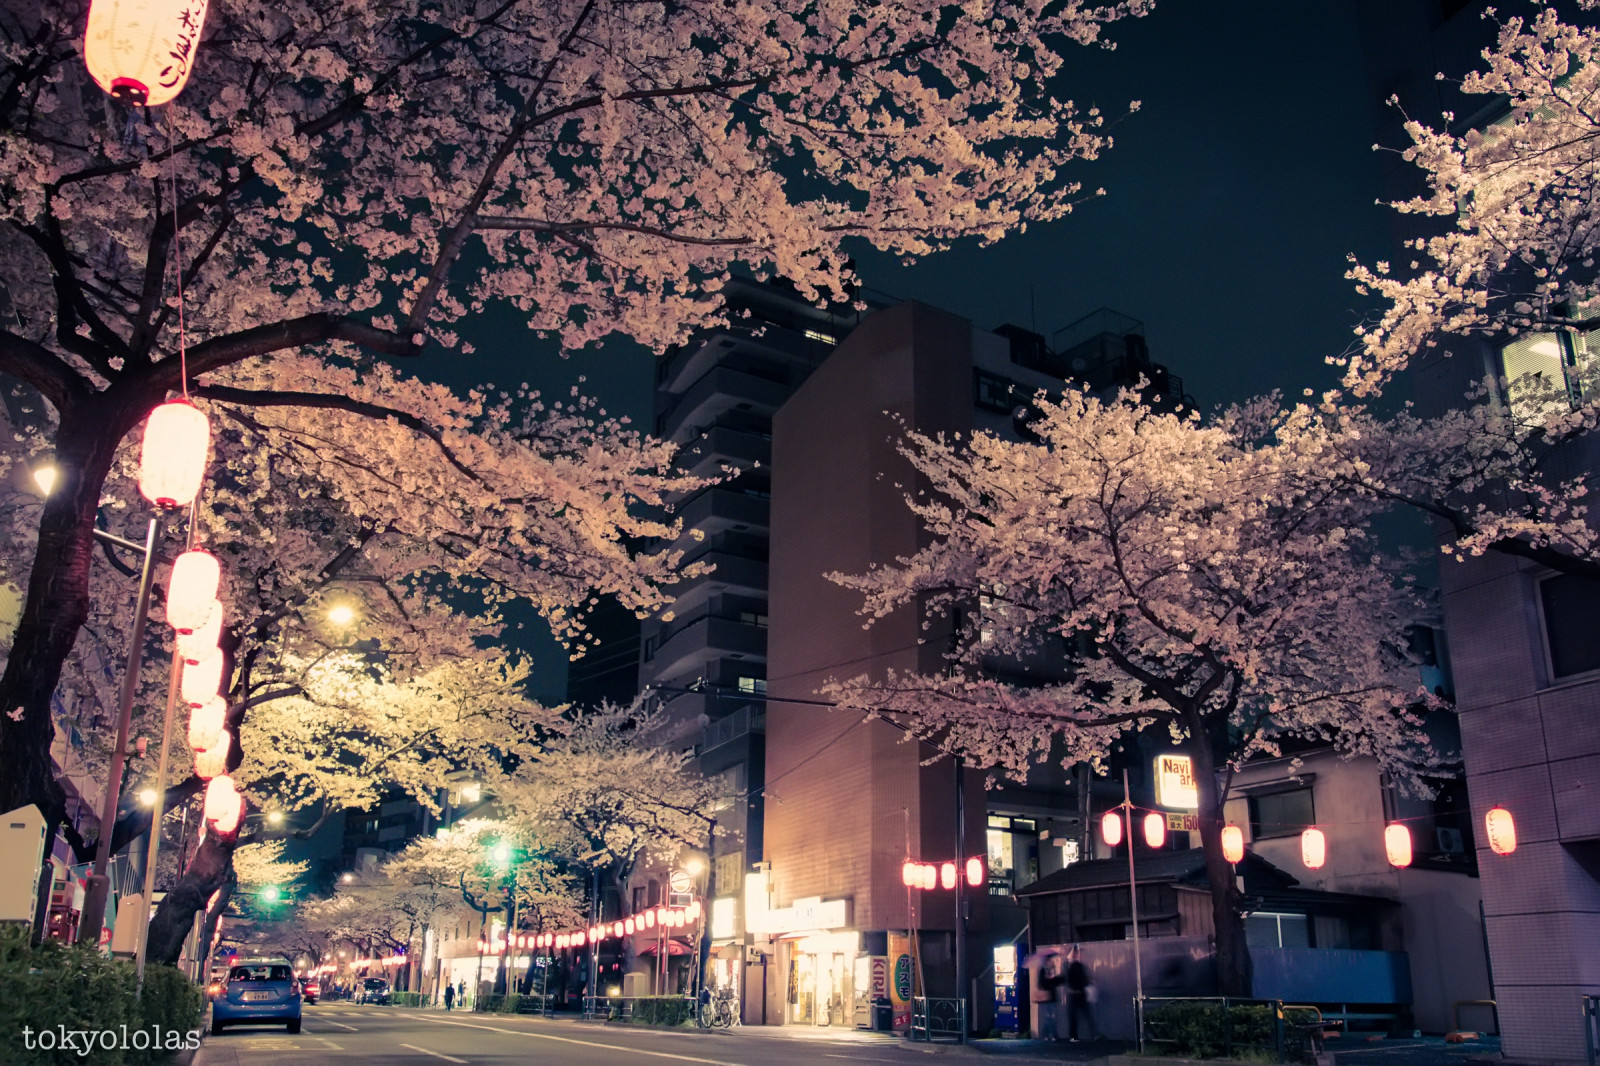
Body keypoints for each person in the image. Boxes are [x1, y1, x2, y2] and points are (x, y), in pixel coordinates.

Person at [1064, 946, 1098, 1042]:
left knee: (1075, 1016)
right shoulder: (1076, 965)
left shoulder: (1071, 965)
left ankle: (1074, 1036)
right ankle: (1093, 1034)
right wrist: (1088, 980)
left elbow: (1070, 979)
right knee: (1085, 1014)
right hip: (1078, 993)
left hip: (1075, 994)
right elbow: (1080, 978)